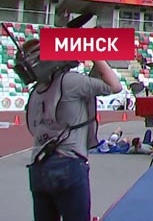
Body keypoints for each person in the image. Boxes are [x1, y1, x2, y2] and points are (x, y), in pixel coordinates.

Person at [25, 39, 122, 221]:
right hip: (68, 162)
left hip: (38, 167)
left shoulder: (36, 91)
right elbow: (114, 86)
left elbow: (32, 129)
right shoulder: (70, 81)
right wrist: (96, 55)